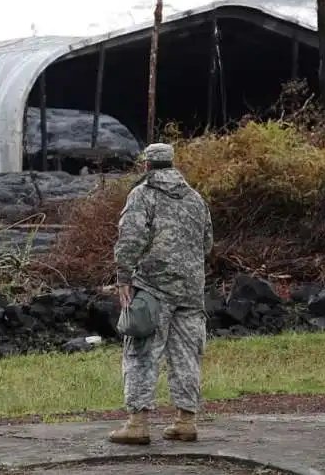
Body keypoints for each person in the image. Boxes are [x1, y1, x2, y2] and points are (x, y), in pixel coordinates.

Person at [109, 142, 213, 445]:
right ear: (172, 164)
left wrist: (123, 277)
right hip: (191, 290)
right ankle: (185, 421)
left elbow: (130, 237)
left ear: (146, 166)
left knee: (141, 350)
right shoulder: (195, 198)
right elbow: (207, 243)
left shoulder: (142, 194)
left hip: (154, 287)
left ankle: (137, 424)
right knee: (187, 354)